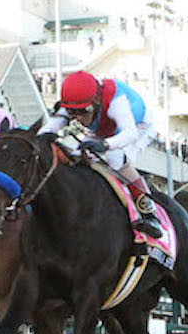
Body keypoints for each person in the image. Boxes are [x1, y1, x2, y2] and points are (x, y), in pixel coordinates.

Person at [40, 70, 162, 238]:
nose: (77, 118)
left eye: (83, 111)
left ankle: (149, 213)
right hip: (106, 128)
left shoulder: (116, 102)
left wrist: (105, 144)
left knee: (115, 158)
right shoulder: (79, 103)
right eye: (71, 112)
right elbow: (52, 126)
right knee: (75, 153)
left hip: (138, 126)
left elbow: (130, 133)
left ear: (96, 100)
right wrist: (38, 139)